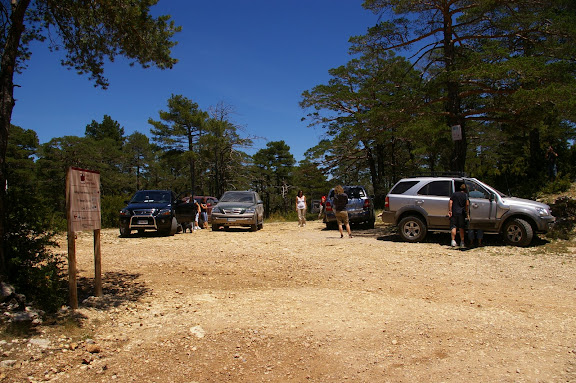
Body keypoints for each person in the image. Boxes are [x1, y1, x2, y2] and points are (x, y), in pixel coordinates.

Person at [448, 183, 469, 248]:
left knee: (453, 226)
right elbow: (467, 204)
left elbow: (451, 202)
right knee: (461, 227)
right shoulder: (465, 195)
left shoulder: (454, 194)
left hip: (454, 212)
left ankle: (453, 241)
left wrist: (450, 211)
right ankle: (462, 242)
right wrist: (467, 212)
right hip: (461, 213)